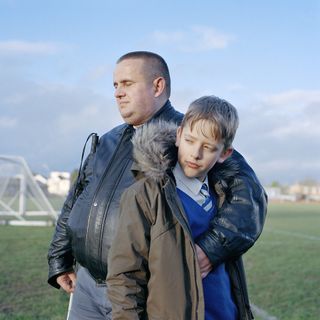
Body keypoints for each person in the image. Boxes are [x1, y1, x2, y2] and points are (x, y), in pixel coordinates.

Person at [47, 51, 267, 320]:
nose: (118, 93)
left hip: (143, 292)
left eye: (127, 84)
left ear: (158, 86)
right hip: (86, 283)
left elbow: (251, 199)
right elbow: (77, 197)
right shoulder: (108, 140)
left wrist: (210, 248)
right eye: (115, 85)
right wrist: (60, 258)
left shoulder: (191, 135)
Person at [107, 96, 262, 319]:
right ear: (179, 135)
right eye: (190, 141)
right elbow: (125, 277)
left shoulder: (223, 195)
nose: (196, 154)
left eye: (208, 147)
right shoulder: (145, 195)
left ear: (225, 154)